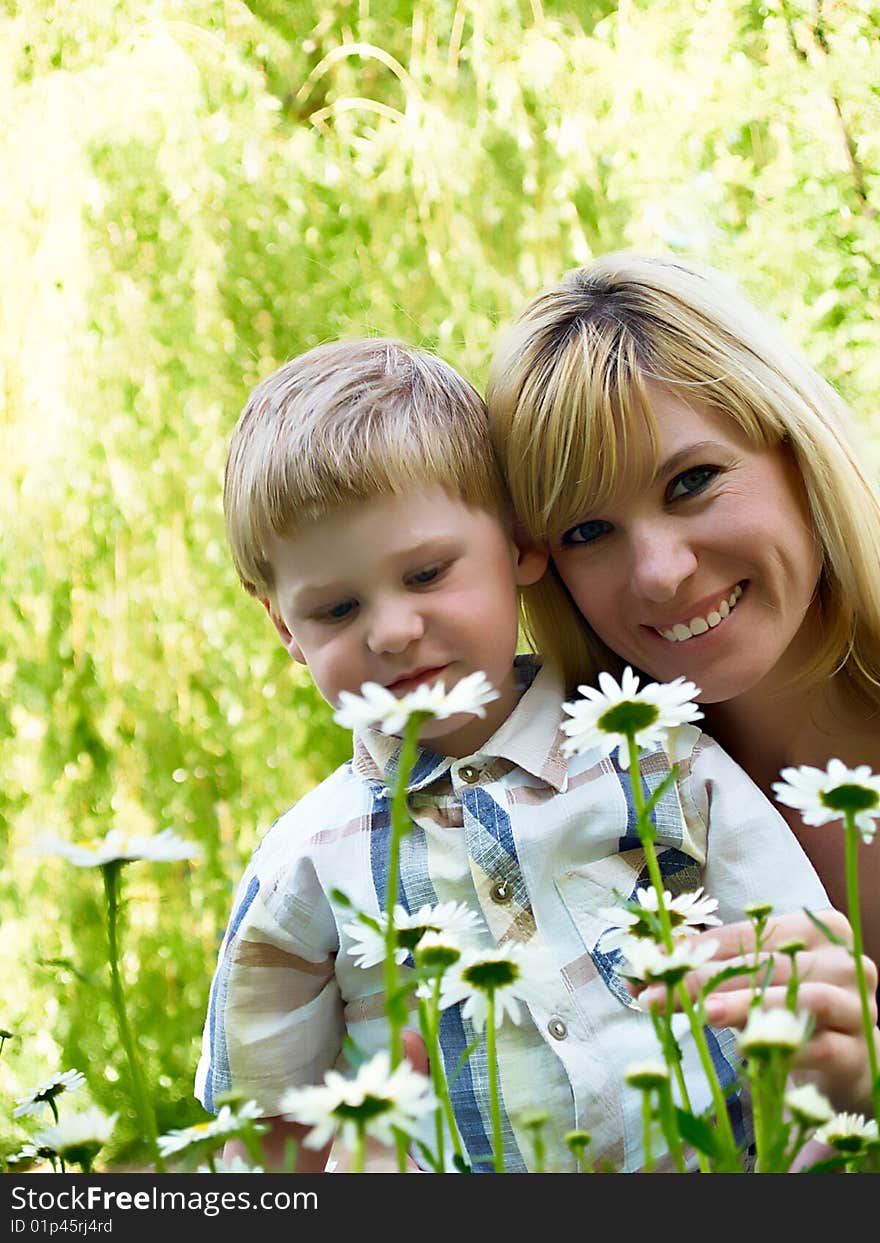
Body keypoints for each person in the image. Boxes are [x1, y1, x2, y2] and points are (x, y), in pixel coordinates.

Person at [194, 335, 830, 1174]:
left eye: (426, 574)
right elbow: (259, 1117)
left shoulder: (654, 760)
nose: (390, 630)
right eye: (337, 608)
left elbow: (799, 964)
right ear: (286, 631)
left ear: (520, 547)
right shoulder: (307, 864)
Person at [485, 251, 880, 1113]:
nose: (661, 574)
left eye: (692, 482)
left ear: (796, 449)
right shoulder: (559, 825)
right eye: (588, 530)